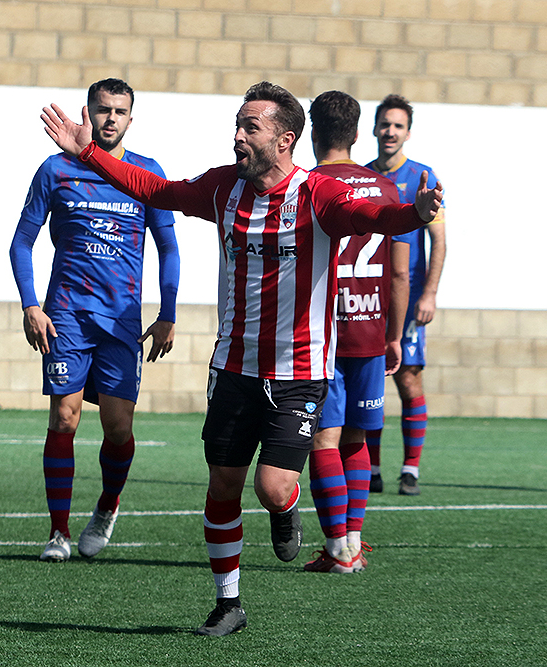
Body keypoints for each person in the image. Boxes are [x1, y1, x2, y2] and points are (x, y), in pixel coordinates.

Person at [40, 81, 443, 635]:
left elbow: (373, 217)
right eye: (237, 124)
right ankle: (227, 602)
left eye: (249, 127)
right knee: (223, 485)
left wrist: (413, 215)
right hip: (232, 368)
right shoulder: (223, 187)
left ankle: (286, 509)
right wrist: (88, 153)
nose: (237, 136)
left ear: (285, 140)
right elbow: (157, 190)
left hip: (299, 373)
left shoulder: (318, 193)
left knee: (271, 487)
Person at [9, 78, 180, 562]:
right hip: (65, 318)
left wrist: (168, 314)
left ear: (131, 118)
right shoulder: (55, 170)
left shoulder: (146, 173)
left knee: (118, 427)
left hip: (123, 321)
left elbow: (168, 247)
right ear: (88, 111)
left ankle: (107, 505)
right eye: (102, 109)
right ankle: (58, 533)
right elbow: (21, 242)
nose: (110, 118)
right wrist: (30, 304)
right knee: (64, 419)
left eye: (119, 111)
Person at [303, 91, 410, 574]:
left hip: (321, 334)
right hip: (370, 332)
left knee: (323, 442)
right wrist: (394, 334)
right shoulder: (388, 190)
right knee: (356, 441)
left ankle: (338, 550)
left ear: (312, 132)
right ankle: (355, 542)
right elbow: (400, 274)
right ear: (357, 129)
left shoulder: (305, 186)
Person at [366, 94, 446, 496]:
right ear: (375, 128)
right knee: (371, 383)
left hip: (408, 299)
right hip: (366, 301)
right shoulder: (363, 177)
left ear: (408, 133)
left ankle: (410, 469)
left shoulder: (422, 177)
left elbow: (439, 241)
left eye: (398, 125)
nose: (390, 132)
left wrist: (428, 294)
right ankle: (373, 468)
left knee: (409, 380)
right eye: (385, 124)